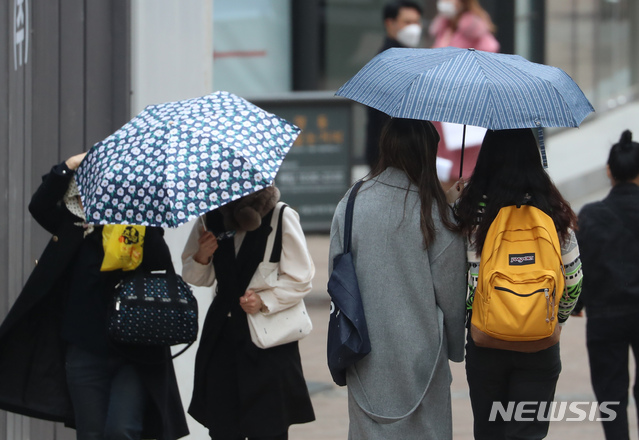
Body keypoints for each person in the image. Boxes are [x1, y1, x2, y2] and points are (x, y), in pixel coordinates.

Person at [0, 153, 189, 440]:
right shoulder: (75, 225)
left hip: (136, 349)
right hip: (84, 346)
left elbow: (162, 272)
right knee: (91, 433)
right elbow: (39, 206)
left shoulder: (140, 228)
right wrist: (67, 167)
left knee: (121, 430)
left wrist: (138, 230)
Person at [329, 118, 467, 439]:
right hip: (423, 357)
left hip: (364, 355)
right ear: (427, 152)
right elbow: (451, 294)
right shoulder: (433, 212)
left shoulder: (350, 202)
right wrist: (455, 349)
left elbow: (339, 276)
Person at [454, 129, 583, 439]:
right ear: (533, 158)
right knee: (529, 433)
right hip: (540, 343)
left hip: (486, 344)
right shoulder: (554, 210)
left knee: (489, 432)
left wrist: (470, 321)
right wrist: (558, 319)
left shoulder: (470, 209)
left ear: (486, 157)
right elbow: (574, 281)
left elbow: (462, 281)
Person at [181, 186, 315, 440]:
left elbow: (302, 278)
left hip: (266, 341)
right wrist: (202, 256)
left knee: (269, 429)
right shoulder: (210, 218)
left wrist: (265, 299)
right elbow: (195, 276)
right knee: (222, 428)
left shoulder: (280, 215)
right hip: (222, 337)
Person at [575, 130, 639, 440]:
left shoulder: (591, 215)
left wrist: (576, 305)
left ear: (609, 171)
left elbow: (580, 264)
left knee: (612, 396)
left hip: (605, 318)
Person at [429, 0, 500, 187]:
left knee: (464, 169)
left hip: (463, 109)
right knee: (443, 168)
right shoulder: (444, 27)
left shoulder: (473, 29)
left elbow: (489, 56)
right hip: (441, 109)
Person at [365, 1, 423, 169]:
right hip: (391, 158)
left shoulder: (408, 57)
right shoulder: (387, 61)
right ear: (389, 23)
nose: (414, 28)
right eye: (407, 22)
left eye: (417, 22)